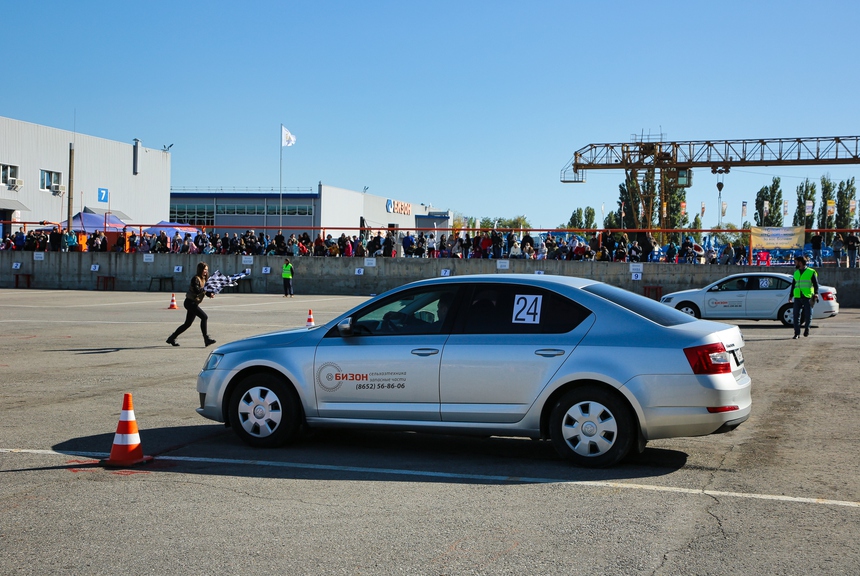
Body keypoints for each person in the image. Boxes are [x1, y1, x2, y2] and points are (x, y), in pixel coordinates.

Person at [166, 262, 216, 347]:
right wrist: (206, 289)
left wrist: (209, 294)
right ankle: (206, 339)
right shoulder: (195, 279)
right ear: (200, 270)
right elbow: (197, 290)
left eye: (207, 270)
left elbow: (204, 291)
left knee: (187, 324)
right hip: (190, 302)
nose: (206, 271)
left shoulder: (204, 279)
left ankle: (172, 338)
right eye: (204, 269)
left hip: (194, 303)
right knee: (204, 317)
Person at [788, 255, 819, 339]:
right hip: (797, 296)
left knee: (808, 314)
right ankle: (796, 333)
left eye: (796, 262)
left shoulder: (811, 272)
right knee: (796, 315)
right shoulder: (796, 273)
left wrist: (816, 293)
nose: (795, 263)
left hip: (807, 296)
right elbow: (794, 285)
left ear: (800, 263)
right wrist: (791, 296)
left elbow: (816, 284)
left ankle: (807, 329)